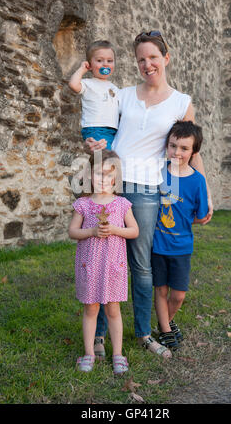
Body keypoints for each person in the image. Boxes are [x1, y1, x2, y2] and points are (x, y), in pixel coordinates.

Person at [85, 31, 213, 360]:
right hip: (109, 187)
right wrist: (94, 143)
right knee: (104, 262)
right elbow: (103, 131)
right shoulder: (122, 94)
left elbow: (191, 150)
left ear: (166, 58)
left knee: (141, 267)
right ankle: (98, 334)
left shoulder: (180, 102)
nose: (147, 64)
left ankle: (143, 333)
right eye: (141, 59)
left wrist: (206, 190)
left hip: (146, 190)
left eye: (153, 57)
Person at [68, 150, 139, 373]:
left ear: (116, 178)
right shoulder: (84, 204)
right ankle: (89, 352)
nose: (103, 180)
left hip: (113, 267)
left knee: (113, 310)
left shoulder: (122, 204)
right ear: (89, 175)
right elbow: (72, 232)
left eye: (109, 175)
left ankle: (118, 354)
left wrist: (115, 229)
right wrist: (91, 231)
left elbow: (134, 231)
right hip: (90, 266)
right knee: (90, 309)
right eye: (98, 174)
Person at [152, 120, 208, 350]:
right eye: (173, 146)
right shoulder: (157, 173)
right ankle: (165, 331)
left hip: (182, 246)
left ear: (194, 152)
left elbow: (201, 215)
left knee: (178, 295)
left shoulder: (197, 181)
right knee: (161, 289)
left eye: (184, 148)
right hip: (157, 245)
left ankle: (165, 322)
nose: (177, 152)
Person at [68, 40, 119, 150]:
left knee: (111, 161)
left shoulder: (115, 88)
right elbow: (73, 84)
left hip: (113, 130)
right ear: (90, 65)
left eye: (109, 61)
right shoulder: (88, 83)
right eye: (99, 60)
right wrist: (82, 69)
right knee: (104, 158)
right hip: (95, 129)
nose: (105, 64)